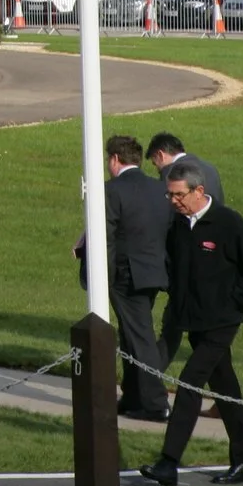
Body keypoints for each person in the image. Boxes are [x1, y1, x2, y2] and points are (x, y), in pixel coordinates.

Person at [137, 162, 243, 486]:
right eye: (169, 195)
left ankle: (168, 463)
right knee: (226, 391)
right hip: (193, 323)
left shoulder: (228, 223)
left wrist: (233, 303)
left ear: (199, 191)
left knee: (189, 384)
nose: (173, 201)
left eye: (178, 195)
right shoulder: (179, 226)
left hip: (221, 323)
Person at [100, 134, 172, 421]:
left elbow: (106, 237)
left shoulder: (111, 191)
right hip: (153, 272)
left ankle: (155, 403)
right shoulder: (159, 189)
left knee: (139, 337)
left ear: (115, 159)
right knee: (132, 335)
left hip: (126, 276)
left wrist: (101, 277)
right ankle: (132, 397)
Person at [146, 133, 223, 207]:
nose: (157, 169)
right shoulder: (210, 167)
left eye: (155, 163)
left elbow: (165, 207)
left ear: (160, 155)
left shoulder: (170, 172)